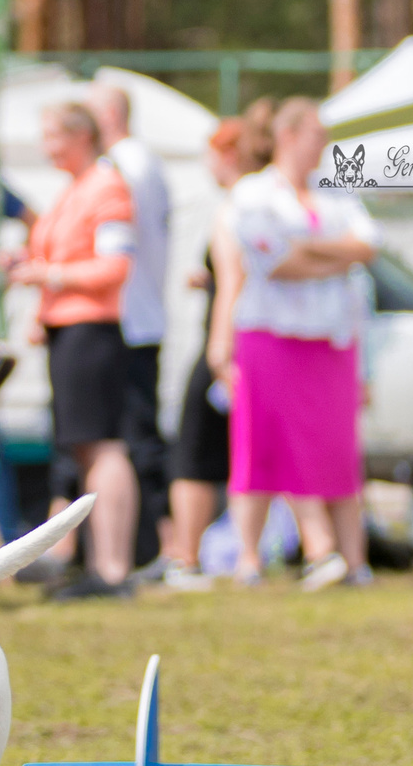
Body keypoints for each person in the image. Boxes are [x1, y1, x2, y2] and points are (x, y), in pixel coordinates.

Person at [210, 97, 377, 589]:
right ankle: (251, 558)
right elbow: (274, 263)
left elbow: (367, 245)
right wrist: (335, 254)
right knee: (261, 444)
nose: (322, 147)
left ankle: (348, 558)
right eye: (315, 136)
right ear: (288, 136)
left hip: (329, 337)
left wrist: (308, 247)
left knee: (336, 448)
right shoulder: (253, 194)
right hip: (271, 337)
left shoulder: (335, 193)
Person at [6, 102, 139, 593]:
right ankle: (96, 562)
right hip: (67, 329)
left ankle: (112, 567)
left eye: (52, 135)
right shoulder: (74, 189)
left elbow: (115, 266)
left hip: (93, 330)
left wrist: (50, 276)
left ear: (80, 135)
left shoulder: (106, 186)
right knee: (84, 448)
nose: (46, 147)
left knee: (103, 445)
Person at [161, 110, 272, 588]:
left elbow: (236, 281)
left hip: (227, 342)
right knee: (247, 453)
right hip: (259, 342)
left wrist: (218, 347)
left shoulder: (238, 206)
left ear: (228, 155)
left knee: (195, 451)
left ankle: (185, 557)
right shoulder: (268, 202)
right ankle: (248, 555)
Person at [91, 84, 172, 562]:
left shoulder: (123, 167)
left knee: (136, 439)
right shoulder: (143, 162)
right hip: (137, 317)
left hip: (130, 320)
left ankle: (156, 546)